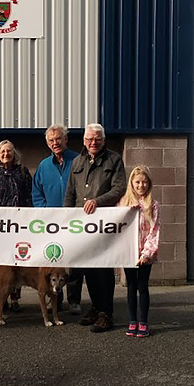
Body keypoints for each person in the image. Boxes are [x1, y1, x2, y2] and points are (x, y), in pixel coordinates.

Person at [64, 123, 127, 332]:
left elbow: (119, 188)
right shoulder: (77, 162)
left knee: (103, 268)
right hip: (81, 224)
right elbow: (70, 192)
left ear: (104, 140)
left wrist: (98, 201)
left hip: (103, 223)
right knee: (88, 268)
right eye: (90, 139)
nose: (93, 142)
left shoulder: (114, 159)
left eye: (97, 139)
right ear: (84, 140)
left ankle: (106, 313)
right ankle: (96, 307)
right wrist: (66, 217)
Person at [32, 124, 83, 315]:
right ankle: (56, 299)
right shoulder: (44, 166)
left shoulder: (78, 160)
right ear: (47, 143)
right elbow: (37, 193)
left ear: (66, 139)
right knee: (54, 260)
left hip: (75, 220)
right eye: (51, 140)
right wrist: (45, 212)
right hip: (51, 223)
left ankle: (74, 300)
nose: (55, 143)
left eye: (58, 138)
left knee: (75, 261)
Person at [0, 139, 33, 311]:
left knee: (17, 262)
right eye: (2, 151)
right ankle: (1, 298)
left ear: (14, 153)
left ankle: (15, 299)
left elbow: (29, 195)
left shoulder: (23, 171)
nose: (6, 154)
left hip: (19, 224)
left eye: (9, 151)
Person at [118, 165, 160, 338]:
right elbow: (117, 227)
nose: (141, 185)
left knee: (142, 287)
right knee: (131, 286)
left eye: (144, 182)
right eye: (137, 182)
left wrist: (146, 254)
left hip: (145, 255)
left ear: (149, 183)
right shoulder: (123, 203)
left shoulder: (153, 205)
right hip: (129, 253)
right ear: (132, 183)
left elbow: (154, 231)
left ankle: (143, 321)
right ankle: (132, 320)